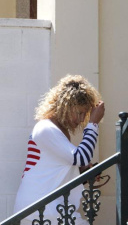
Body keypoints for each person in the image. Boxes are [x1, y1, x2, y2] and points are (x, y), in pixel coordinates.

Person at [13, 74, 105, 225]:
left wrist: (81, 172)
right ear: (65, 106)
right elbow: (81, 157)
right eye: (79, 113)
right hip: (40, 208)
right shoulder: (46, 128)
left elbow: (56, 168)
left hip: (45, 207)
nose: (82, 119)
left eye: (85, 114)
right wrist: (93, 124)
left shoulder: (56, 130)